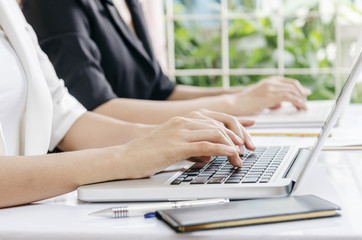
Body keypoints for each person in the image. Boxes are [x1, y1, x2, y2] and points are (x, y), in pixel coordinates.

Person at [0, 0, 255, 209]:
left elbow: (63, 115)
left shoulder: (8, 8)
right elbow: (98, 104)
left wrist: (173, 139)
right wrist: (125, 157)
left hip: (34, 212)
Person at [22, 0, 311, 125]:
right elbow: (96, 108)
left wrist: (248, 95)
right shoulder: (55, 4)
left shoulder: (129, 3)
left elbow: (161, 90)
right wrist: (236, 105)